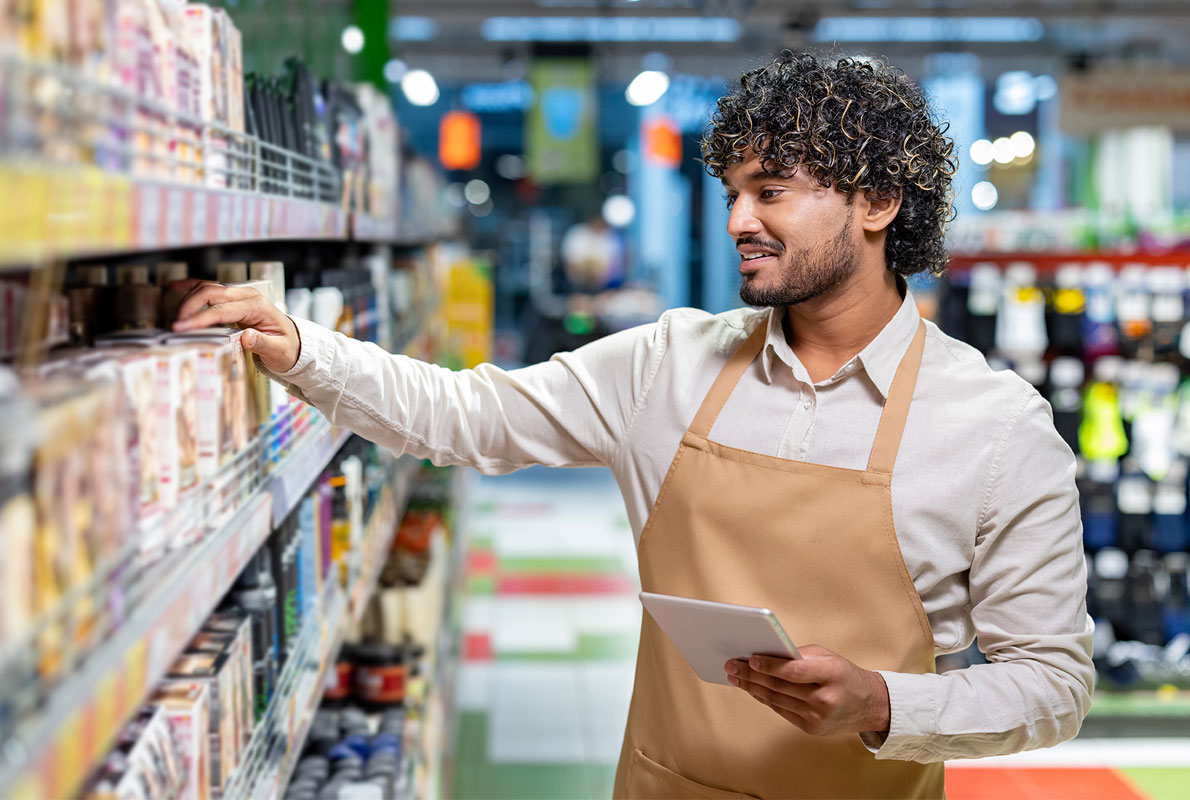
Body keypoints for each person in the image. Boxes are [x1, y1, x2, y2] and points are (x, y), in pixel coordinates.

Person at [173, 52, 1093, 800]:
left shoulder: (996, 427)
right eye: (732, 191)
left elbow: (1054, 682)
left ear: (878, 206)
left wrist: (883, 703)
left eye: (771, 191)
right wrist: (299, 345)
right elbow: (465, 416)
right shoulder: (670, 363)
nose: (738, 219)